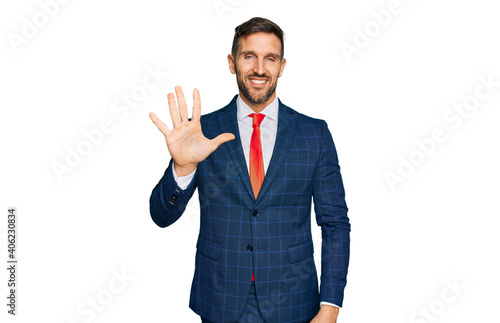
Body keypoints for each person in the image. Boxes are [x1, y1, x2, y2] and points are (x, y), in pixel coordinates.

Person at [149, 17, 350, 323]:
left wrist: (331, 304)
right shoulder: (203, 132)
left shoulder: (314, 134)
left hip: (295, 301)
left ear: (281, 66)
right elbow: (161, 217)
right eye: (249, 56)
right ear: (232, 63)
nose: (259, 68)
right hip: (221, 299)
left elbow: (335, 224)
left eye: (270, 58)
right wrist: (184, 165)